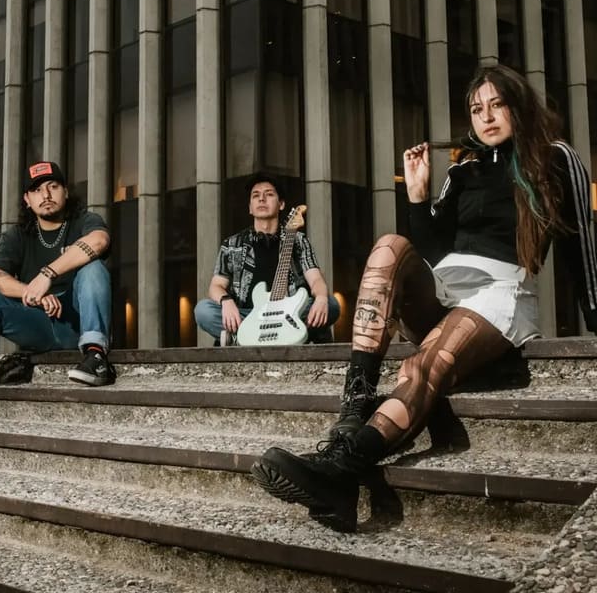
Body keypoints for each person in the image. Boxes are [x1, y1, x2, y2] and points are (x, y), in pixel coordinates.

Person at [251, 64, 597, 531]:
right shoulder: (464, 169)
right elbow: (433, 250)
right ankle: (354, 410)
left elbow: (580, 244)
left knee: (420, 367)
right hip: (446, 288)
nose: (486, 117)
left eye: (497, 105)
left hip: (499, 294)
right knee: (389, 245)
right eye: (476, 109)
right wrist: (416, 197)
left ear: (519, 106)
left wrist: (593, 322)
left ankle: (340, 472)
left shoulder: (555, 157)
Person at [0, 160, 114, 427]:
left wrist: (47, 274)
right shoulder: (18, 235)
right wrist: (31, 291)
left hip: (76, 321)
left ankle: (96, 357)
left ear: (65, 191)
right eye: (36, 190)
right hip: (37, 324)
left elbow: (99, 241)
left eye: (53, 186)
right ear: (27, 199)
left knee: (93, 268)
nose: (45, 195)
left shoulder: (84, 220)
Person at [194, 172, 339, 346]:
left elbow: (315, 279)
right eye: (256, 196)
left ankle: (243, 339)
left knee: (331, 304)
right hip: (248, 317)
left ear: (281, 204)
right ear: (250, 207)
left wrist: (321, 298)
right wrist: (226, 302)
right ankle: (265, 336)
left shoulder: (298, 241)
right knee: (203, 310)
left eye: (269, 194)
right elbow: (216, 286)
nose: (261, 199)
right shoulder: (232, 244)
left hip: (289, 313)